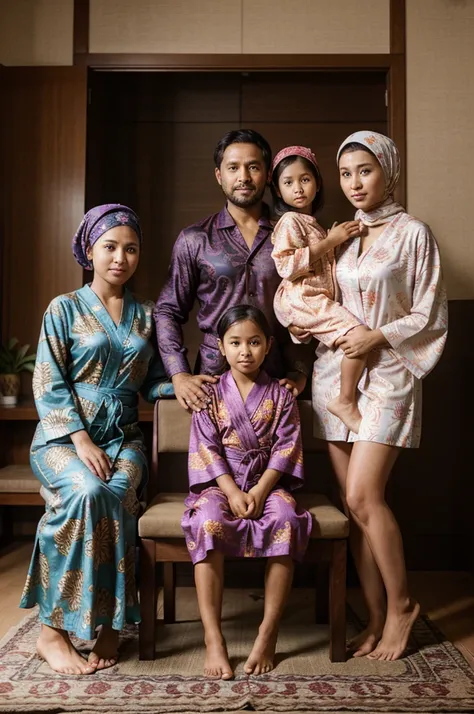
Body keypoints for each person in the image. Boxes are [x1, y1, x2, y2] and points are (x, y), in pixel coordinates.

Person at [310, 131, 448, 661]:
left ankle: (402, 606)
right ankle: (372, 618)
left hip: (389, 375)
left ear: (388, 170)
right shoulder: (342, 234)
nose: (354, 183)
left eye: (364, 170)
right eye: (345, 174)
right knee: (353, 507)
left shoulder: (415, 234)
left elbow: (430, 312)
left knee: (367, 496)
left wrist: (378, 336)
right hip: (335, 378)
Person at [20, 204, 173, 675]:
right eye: (109, 247)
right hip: (62, 437)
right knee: (86, 491)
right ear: (89, 251)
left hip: (124, 438)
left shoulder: (147, 315)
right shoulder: (63, 308)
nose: (120, 258)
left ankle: (112, 622)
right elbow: (48, 381)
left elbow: (154, 383)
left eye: (130, 249)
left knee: (119, 492)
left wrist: (192, 385)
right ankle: (52, 632)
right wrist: (81, 440)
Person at [181, 304, 312, 679]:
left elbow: (287, 447)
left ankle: (268, 633)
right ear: (221, 347)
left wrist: (258, 488)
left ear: (269, 345)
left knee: (286, 518)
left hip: (267, 483)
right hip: (220, 484)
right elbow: (206, 448)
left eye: (254, 342)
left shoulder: (282, 396)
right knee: (206, 521)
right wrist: (232, 491)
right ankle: (213, 638)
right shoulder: (211, 395)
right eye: (235, 342)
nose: (245, 351)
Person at [154, 129, 311, 414]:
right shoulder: (195, 239)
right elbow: (167, 310)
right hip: (212, 387)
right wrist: (179, 375)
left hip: (280, 384)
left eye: (253, 167)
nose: (244, 177)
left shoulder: (292, 234)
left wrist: (300, 372)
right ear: (219, 175)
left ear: (267, 175)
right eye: (233, 167)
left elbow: (311, 304)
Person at [271, 145, 371, 434]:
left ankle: (344, 397)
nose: (298, 188)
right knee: (360, 336)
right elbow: (286, 266)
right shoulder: (290, 221)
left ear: (317, 183)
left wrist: (336, 240)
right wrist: (330, 241)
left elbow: (321, 266)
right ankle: (345, 401)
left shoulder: (312, 224)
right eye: (288, 182)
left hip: (307, 301)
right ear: (278, 191)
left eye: (305, 179)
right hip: (304, 299)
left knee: (353, 340)